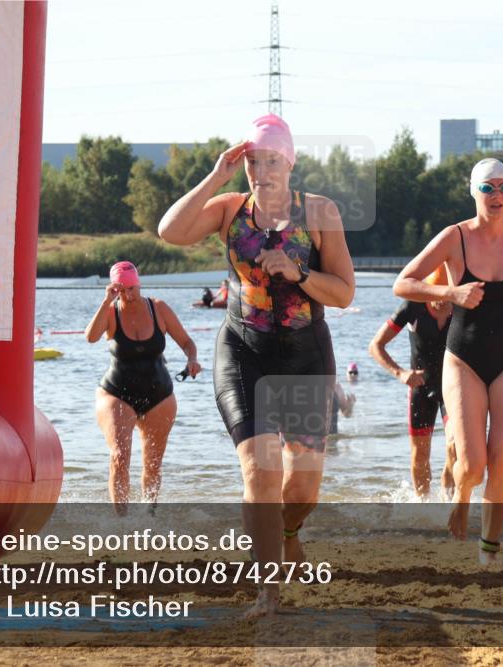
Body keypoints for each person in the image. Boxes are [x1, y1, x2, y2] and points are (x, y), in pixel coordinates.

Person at [157, 113, 355, 617]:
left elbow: (346, 292)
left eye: (269, 160)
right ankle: (267, 591)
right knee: (258, 470)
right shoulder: (228, 209)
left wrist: (298, 270)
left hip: (306, 354)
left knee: (304, 486)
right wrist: (214, 177)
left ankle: (289, 529)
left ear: (288, 163)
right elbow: (169, 231)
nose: (259, 170)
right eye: (250, 161)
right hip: (244, 350)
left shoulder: (319, 213)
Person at [392, 158, 503, 564]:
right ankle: (461, 495)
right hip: (462, 359)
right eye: (487, 188)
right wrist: (452, 293)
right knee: (473, 464)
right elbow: (402, 283)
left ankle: (488, 552)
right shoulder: (454, 237)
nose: (497, 196)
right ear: (473, 192)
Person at [85, 261, 201, 512]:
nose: (128, 295)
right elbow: (91, 337)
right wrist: (106, 301)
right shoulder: (111, 311)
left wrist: (192, 359)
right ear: (114, 289)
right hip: (117, 393)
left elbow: (187, 341)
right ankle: (122, 523)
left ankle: (149, 518)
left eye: (132, 289)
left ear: (139, 284)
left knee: (153, 464)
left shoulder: (158, 308)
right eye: (121, 290)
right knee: (120, 455)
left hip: (158, 394)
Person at [369, 266, 456, 499]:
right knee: (420, 453)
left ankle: (449, 503)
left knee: (455, 447)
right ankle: (423, 504)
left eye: (447, 298)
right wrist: (400, 373)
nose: (442, 304)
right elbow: (376, 345)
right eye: (436, 297)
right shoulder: (412, 307)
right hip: (420, 388)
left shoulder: (460, 308)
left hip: (452, 387)